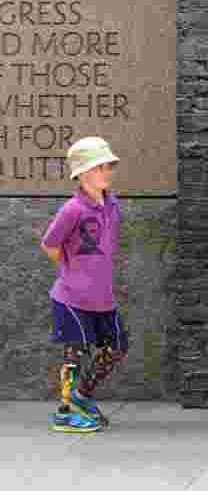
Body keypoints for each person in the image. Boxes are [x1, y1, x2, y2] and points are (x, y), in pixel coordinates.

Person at [42, 136, 129, 433]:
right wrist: (73, 273)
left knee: (116, 347)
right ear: (82, 173)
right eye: (100, 166)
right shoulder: (72, 210)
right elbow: (51, 244)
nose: (107, 171)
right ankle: (67, 410)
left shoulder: (112, 205)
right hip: (72, 298)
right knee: (74, 354)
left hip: (104, 298)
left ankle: (81, 397)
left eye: (108, 166)